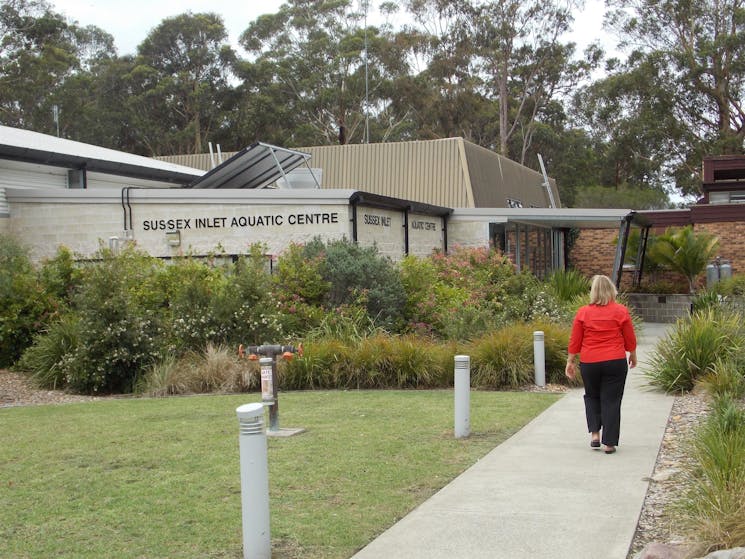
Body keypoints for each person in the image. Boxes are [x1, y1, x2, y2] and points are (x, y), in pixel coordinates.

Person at [565, 274, 637, 454]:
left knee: (592, 396)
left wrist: (571, 361)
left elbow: (575, 340)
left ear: (593, 292)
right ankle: (609, 443)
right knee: (611, 400)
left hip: (590, 362)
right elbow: (629, 337)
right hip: (615, 361)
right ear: (611, 290)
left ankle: (595, 435)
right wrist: (633, 354)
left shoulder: (583, 312)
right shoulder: (621, 311)